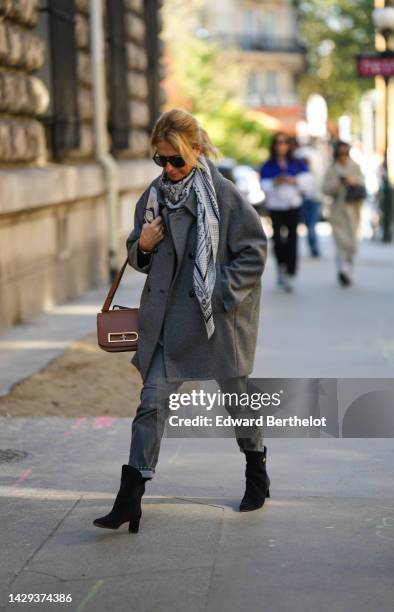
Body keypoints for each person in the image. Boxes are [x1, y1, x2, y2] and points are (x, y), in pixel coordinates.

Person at [93, 109, 269, 534]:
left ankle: (256, 467)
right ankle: (130, 496)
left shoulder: (222, 194)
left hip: (217, 321)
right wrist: (144, 244)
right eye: (161, 159)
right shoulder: (153, 195)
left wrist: (220, 292)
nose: (169, 168)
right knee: (151, 401)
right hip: (169, 322)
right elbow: (138, 255)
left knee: (238, 400)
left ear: (195, 151)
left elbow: (254, 250)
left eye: (176, 159)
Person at [260, 132, 311, 292]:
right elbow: (263, 185)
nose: (281, 146)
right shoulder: (268, 165)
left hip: (293, 205)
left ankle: (290, 271)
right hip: (275, 206)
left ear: (289, 145)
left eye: (284, 143)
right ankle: (281, 267)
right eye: (278, 143)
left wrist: (293, 180)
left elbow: (308, 181)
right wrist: (276, 181)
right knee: (277, 239)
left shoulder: (297, 163)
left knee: (292, 238)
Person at [322, 141, 366, 286]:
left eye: (345, 153)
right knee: (341, 242)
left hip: (354, 209)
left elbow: (363, 184)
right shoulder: (332, 170)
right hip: (338, 210)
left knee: (352, 242)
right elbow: (325, 188)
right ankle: (343, 269)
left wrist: (353, 181)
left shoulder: (355, 167)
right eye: (340, 153)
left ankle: (347, 267)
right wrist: (338, 184)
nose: (343, 156)